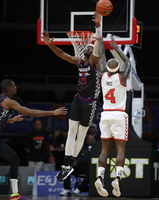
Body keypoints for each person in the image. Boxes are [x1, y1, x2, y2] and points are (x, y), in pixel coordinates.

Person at [0, 79, 68, 200]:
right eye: (15, 86)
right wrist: (53, 112)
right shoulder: (8, 101)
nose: (16, 88)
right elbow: (31, 112)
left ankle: (15, 194)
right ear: (10, 89)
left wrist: (11, 120)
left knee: (14, 159)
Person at [41, 11, 104, 182]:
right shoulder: (79, 61)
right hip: (78, 100)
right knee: (71, 133)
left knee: (81, 135)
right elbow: (62, 54)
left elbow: (98, 44)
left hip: (90, 103)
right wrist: (49, 44)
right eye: (88, 46)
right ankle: (66, 166)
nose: (90, 46)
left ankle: (70, 164)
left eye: (92, 46)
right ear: (84, 49)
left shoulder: (95, 62)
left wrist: (98, 26)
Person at [94, 36, 131, 197]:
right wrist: (115, 48)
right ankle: (117, 178)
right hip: (119, 114)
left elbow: (101, 58)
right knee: (120, 149)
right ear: (118, 69)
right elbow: (128, 63)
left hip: (105, 115)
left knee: (104, 151)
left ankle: (100, 177)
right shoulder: (122, 76)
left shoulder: (102, 75)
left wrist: (100, 40)